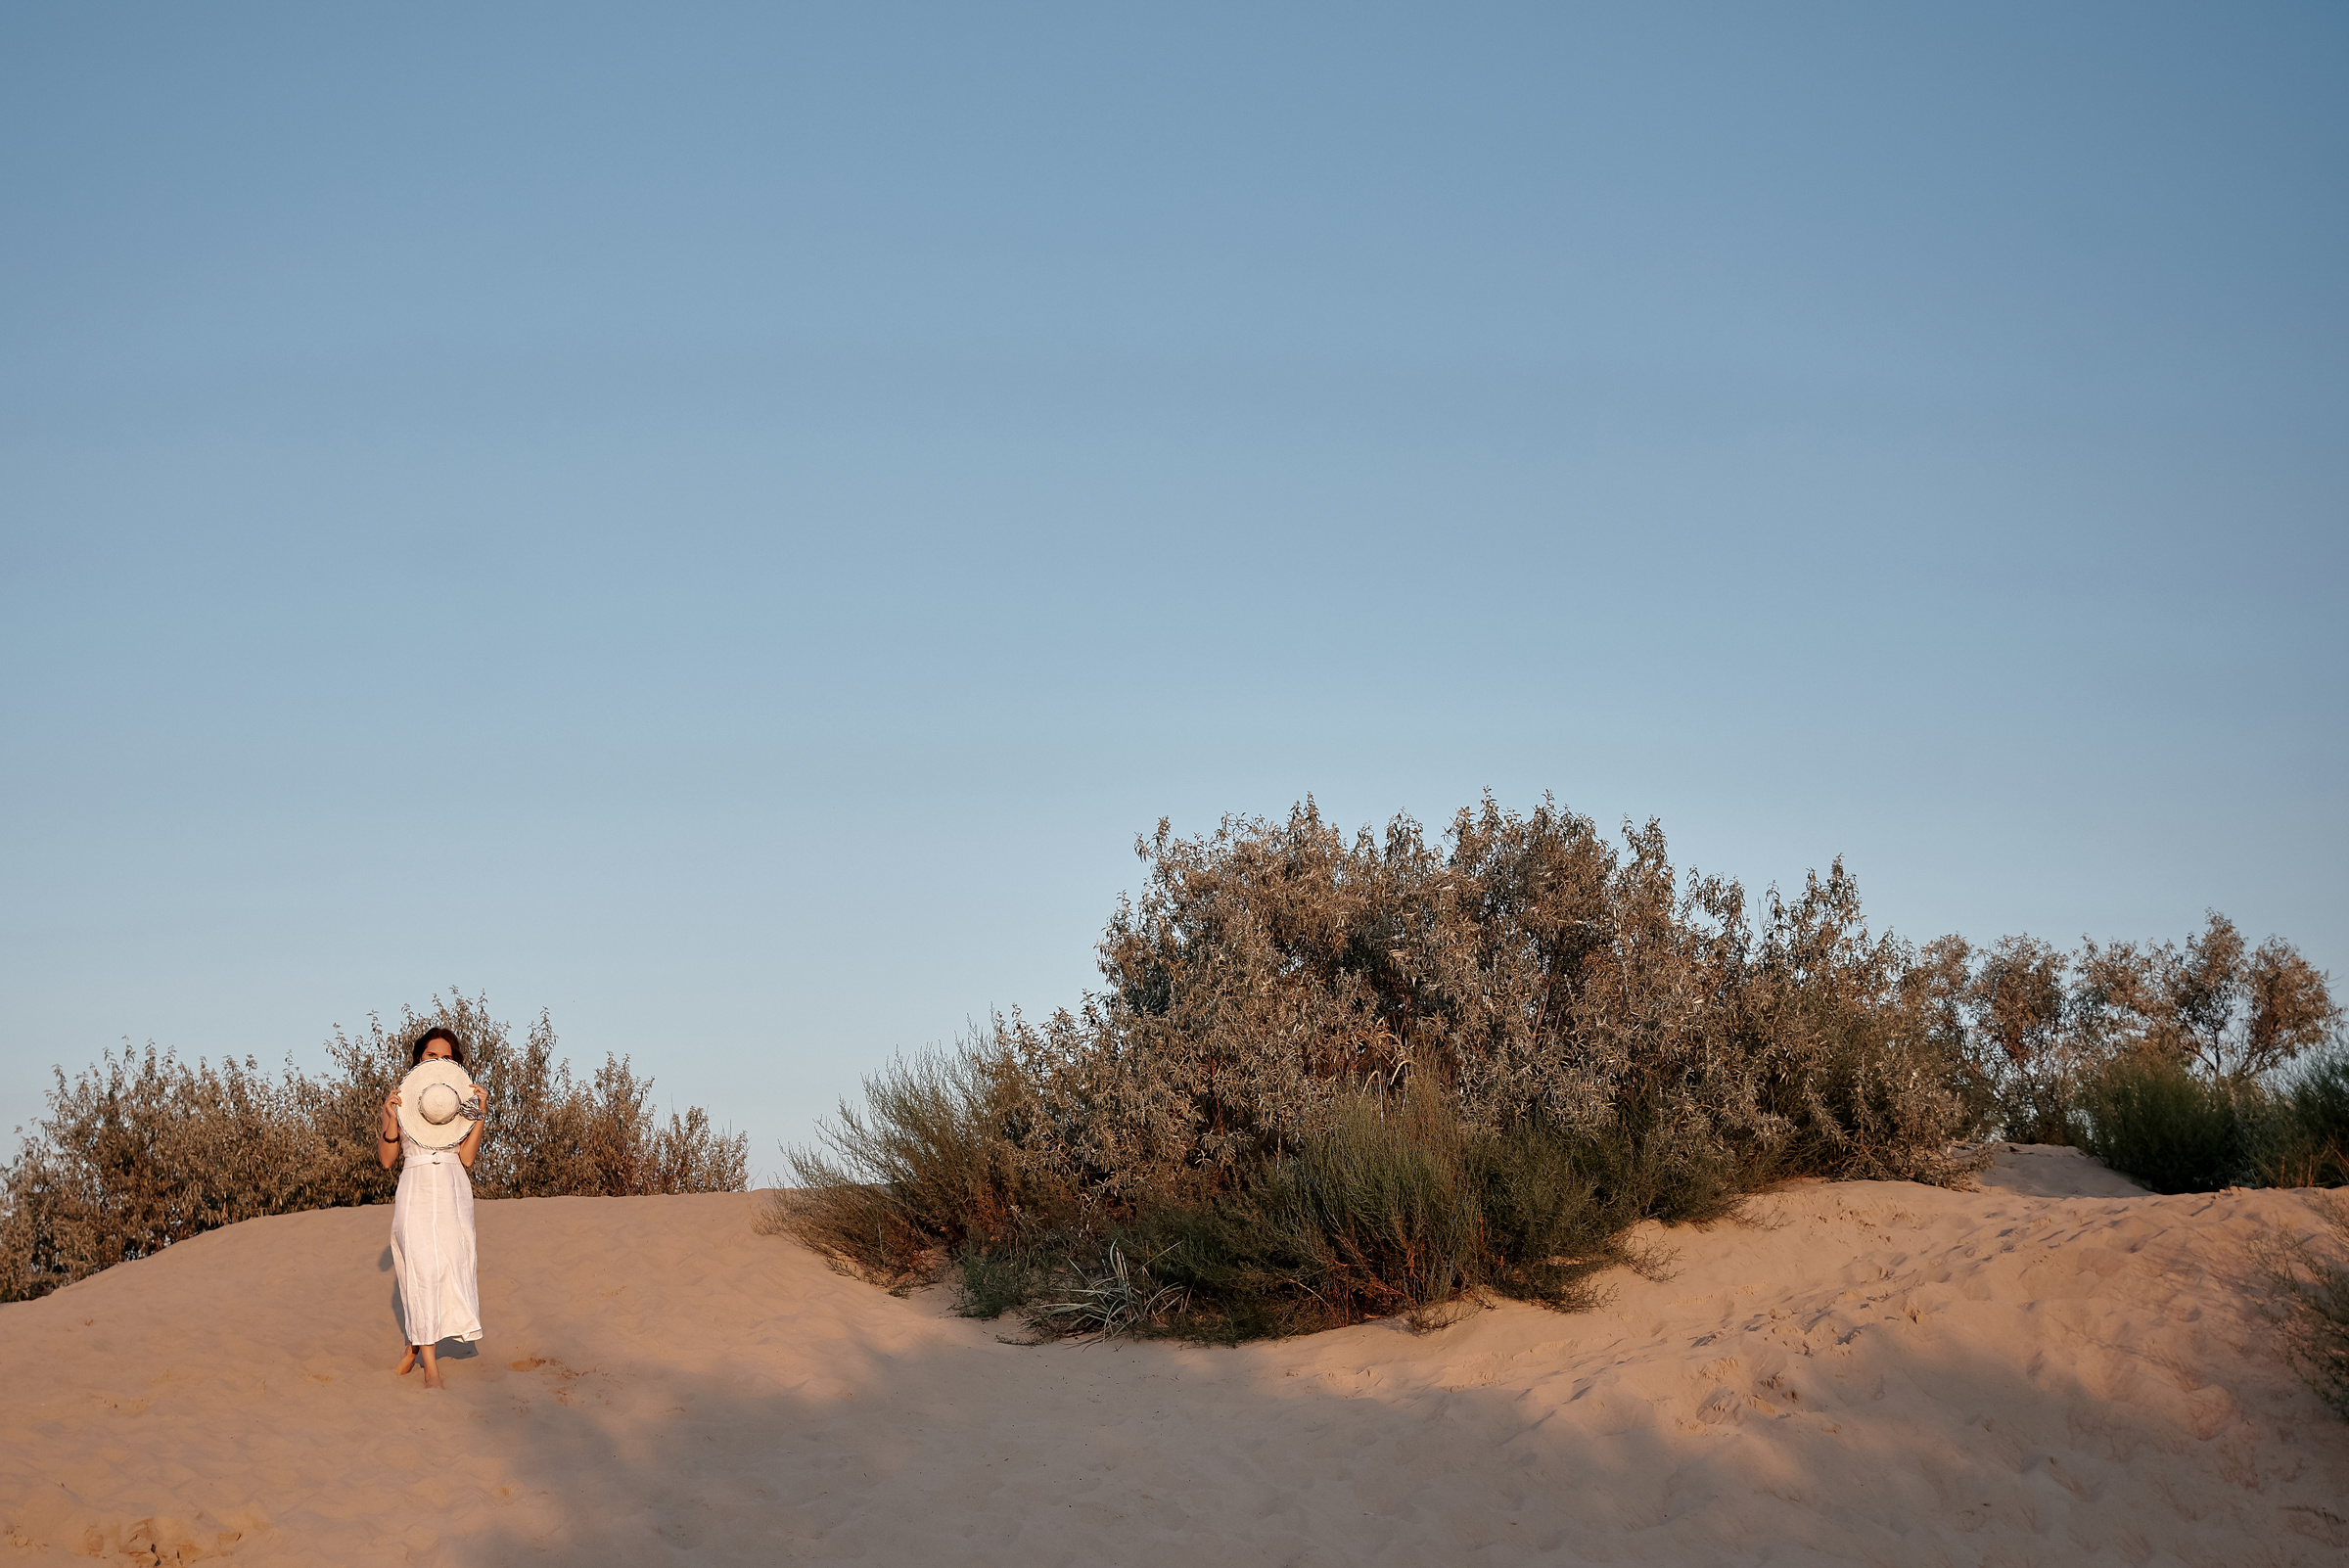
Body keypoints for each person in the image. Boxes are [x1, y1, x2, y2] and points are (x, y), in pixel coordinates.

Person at [378, 1026, 487, 1389]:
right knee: (422, 1270)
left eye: (447, 1057)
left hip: (454, 1187)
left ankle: (414, 1343)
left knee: (452, 1265)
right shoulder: (400, 1100)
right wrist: (391, 1121)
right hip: (416, 1186)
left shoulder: (462, 1102)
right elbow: (386, 1160)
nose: (439, 1061)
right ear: (418, 1059)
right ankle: (431, 1367)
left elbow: (468, 1158)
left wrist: (479, 1117)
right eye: (431, 1055)